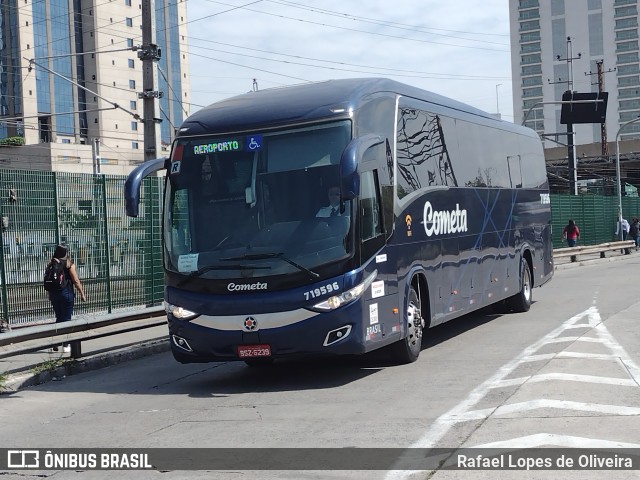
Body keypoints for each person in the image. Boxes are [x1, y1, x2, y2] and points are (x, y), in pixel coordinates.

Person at [47, 245, 87, 352]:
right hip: (66, 293)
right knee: (67, 319)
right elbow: (76, 280)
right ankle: (66, 345)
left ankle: (55, 342)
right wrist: (82, 293)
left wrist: (50, 295)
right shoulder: (69, 264)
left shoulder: (51, 263)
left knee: (59, 318)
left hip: (54, 295)